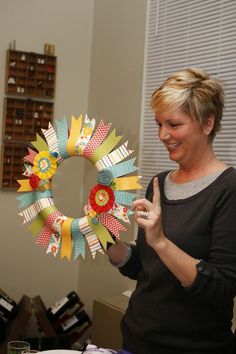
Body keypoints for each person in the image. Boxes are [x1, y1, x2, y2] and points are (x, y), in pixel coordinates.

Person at [106, 68, 236, 354]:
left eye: (174, 124)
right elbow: (145, 268)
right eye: (159, 124)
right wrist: (107, 241)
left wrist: (161, 241)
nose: (163, 135)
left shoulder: (229, 188)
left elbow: (222, 289)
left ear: (207, 123)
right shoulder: (160, 183)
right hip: (136, 341)